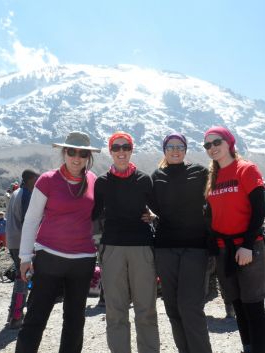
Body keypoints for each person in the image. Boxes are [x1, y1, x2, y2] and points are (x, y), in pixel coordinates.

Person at [15, 131, 100, 353]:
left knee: (74, 321)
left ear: (88, 156)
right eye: (71, 152)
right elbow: (32, 219)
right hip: (49, 259)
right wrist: (25, 257)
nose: (76, 157)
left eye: (82, 153)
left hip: (83, 261)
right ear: (64, 152)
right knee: (36, 316)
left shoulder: (93, 180)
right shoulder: (47, 180)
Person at [203, 126, 265, 353]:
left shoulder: (246, 169)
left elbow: (259, 211)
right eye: (207, 145)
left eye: (217, 142)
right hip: (224, 250)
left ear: (229, 143)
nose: (212, 148)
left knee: (254, 306)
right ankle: (248, 348)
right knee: (239, 306)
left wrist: (247, 246)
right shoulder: (212, 176)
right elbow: (212, 214)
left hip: (248, 248)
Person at [93, 131, 160, 353]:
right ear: (110, 151)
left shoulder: (144, 180)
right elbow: (93, 214)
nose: (121, 152)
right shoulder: (101, 182)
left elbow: (159, 209)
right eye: (116, 147)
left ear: (131, 150)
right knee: (115, 310)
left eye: (125, 147)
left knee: (146, 309)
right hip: (112, 248)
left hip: (141, 247)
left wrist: (154, 216)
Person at [150, 132, 212, 353]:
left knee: (190, 306)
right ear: (164, 150)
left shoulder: (200, 172)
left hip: (195, 248)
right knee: (172, 308)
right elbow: (154, 207)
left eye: (179, 146)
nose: (175, 150)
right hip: (165, 248)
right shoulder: (156, 176)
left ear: (185, 150)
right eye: (170, 146)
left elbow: (214, 203)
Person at [5, 169, 39, 329]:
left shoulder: (15, 192)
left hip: (12, 240)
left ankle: (13, 312)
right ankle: (17, 316)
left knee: (21, 275)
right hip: (21, 242)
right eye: (36, 179)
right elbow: (28, 220)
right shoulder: (26, 194)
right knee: (23, 278)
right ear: (30, 179)